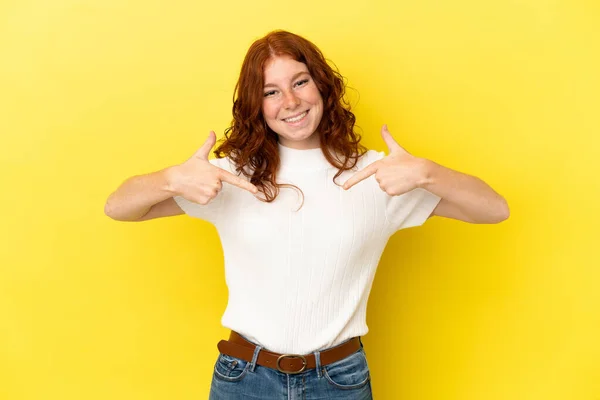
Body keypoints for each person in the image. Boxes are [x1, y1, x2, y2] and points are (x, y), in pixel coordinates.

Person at [104, 30, 509, 399]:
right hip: (243, 378)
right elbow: (119, 207)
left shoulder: (377, 175)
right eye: (271, 92)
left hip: (340, 381)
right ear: (255, 104)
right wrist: (172, 179)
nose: (291, 102)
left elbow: (494, 209)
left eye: (300, 82)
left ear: (322, 86)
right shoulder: (230, 176)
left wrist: (427, 172)